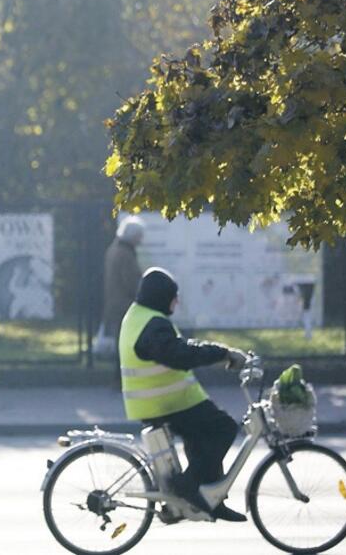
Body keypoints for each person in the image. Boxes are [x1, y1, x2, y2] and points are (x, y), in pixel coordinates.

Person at [118, 267, 250, 522]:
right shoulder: (153, 325)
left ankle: (211, 501)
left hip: (166, 400)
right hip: (162, 402)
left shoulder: (142, 316)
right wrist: (223, 353)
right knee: (223, 428)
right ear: (161, 296)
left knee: (202, 437)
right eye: (173, 296)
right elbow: (180, 355)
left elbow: (179, 349)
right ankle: (187, 485)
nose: (176, 301)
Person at [99, 215, 145, 361]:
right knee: (126, 345)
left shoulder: (113, 250)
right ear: (132, 236)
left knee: (121, 342)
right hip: (125, 305)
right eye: (139, 236)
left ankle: (118, 378)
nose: (140, 240)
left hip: (115, 303)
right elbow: (131, 282)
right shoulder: (126, 254)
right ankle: (121, 378)